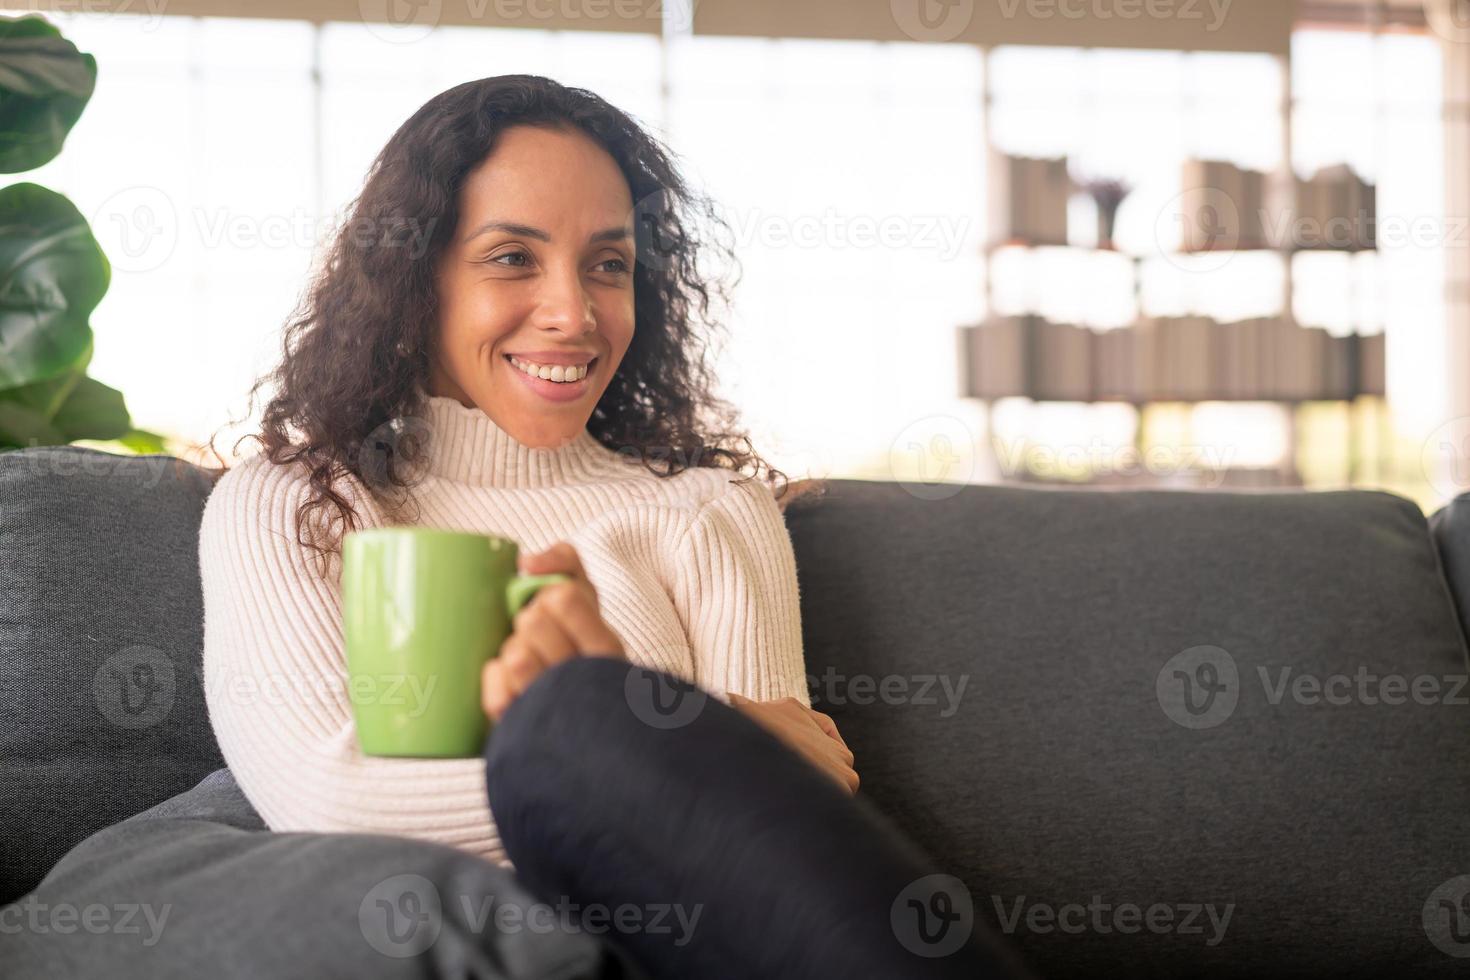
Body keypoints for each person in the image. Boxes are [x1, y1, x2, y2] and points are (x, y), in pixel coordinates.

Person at [2, 75, 1031, 979]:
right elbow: (329, 792)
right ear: (416, 282)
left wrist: (670, 755)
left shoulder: (709, 511)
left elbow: (790, 825)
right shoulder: (299, 502)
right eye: (512, 258)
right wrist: (658, 740)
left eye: (608, 264)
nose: (573, 313)